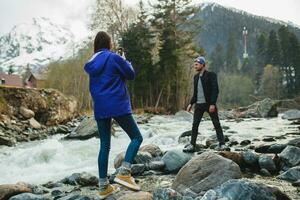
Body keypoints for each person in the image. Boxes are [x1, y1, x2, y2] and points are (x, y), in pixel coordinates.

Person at [84, 31, 143, 199]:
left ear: (96, 45)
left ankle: (103, 187)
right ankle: (124, 172)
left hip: (100, 107)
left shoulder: (92, 62)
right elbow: (130, 74)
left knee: (104, 146)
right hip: (117, 104)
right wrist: (124, 59)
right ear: (108, 43)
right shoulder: (113, 57)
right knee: (137, 138)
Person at [183, 56, 227, 153]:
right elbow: (195, 93)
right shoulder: (195, 77)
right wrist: (191, 103)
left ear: (203, 65)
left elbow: (215, 90)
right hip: (198, 105)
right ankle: (192, 145)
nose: (195, 66)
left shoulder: (211, 75)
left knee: (216, 124)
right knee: (195, 125)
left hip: (209, 104)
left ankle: (222, 143)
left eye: (197, 64)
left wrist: (212, 103)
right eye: (194, 64)